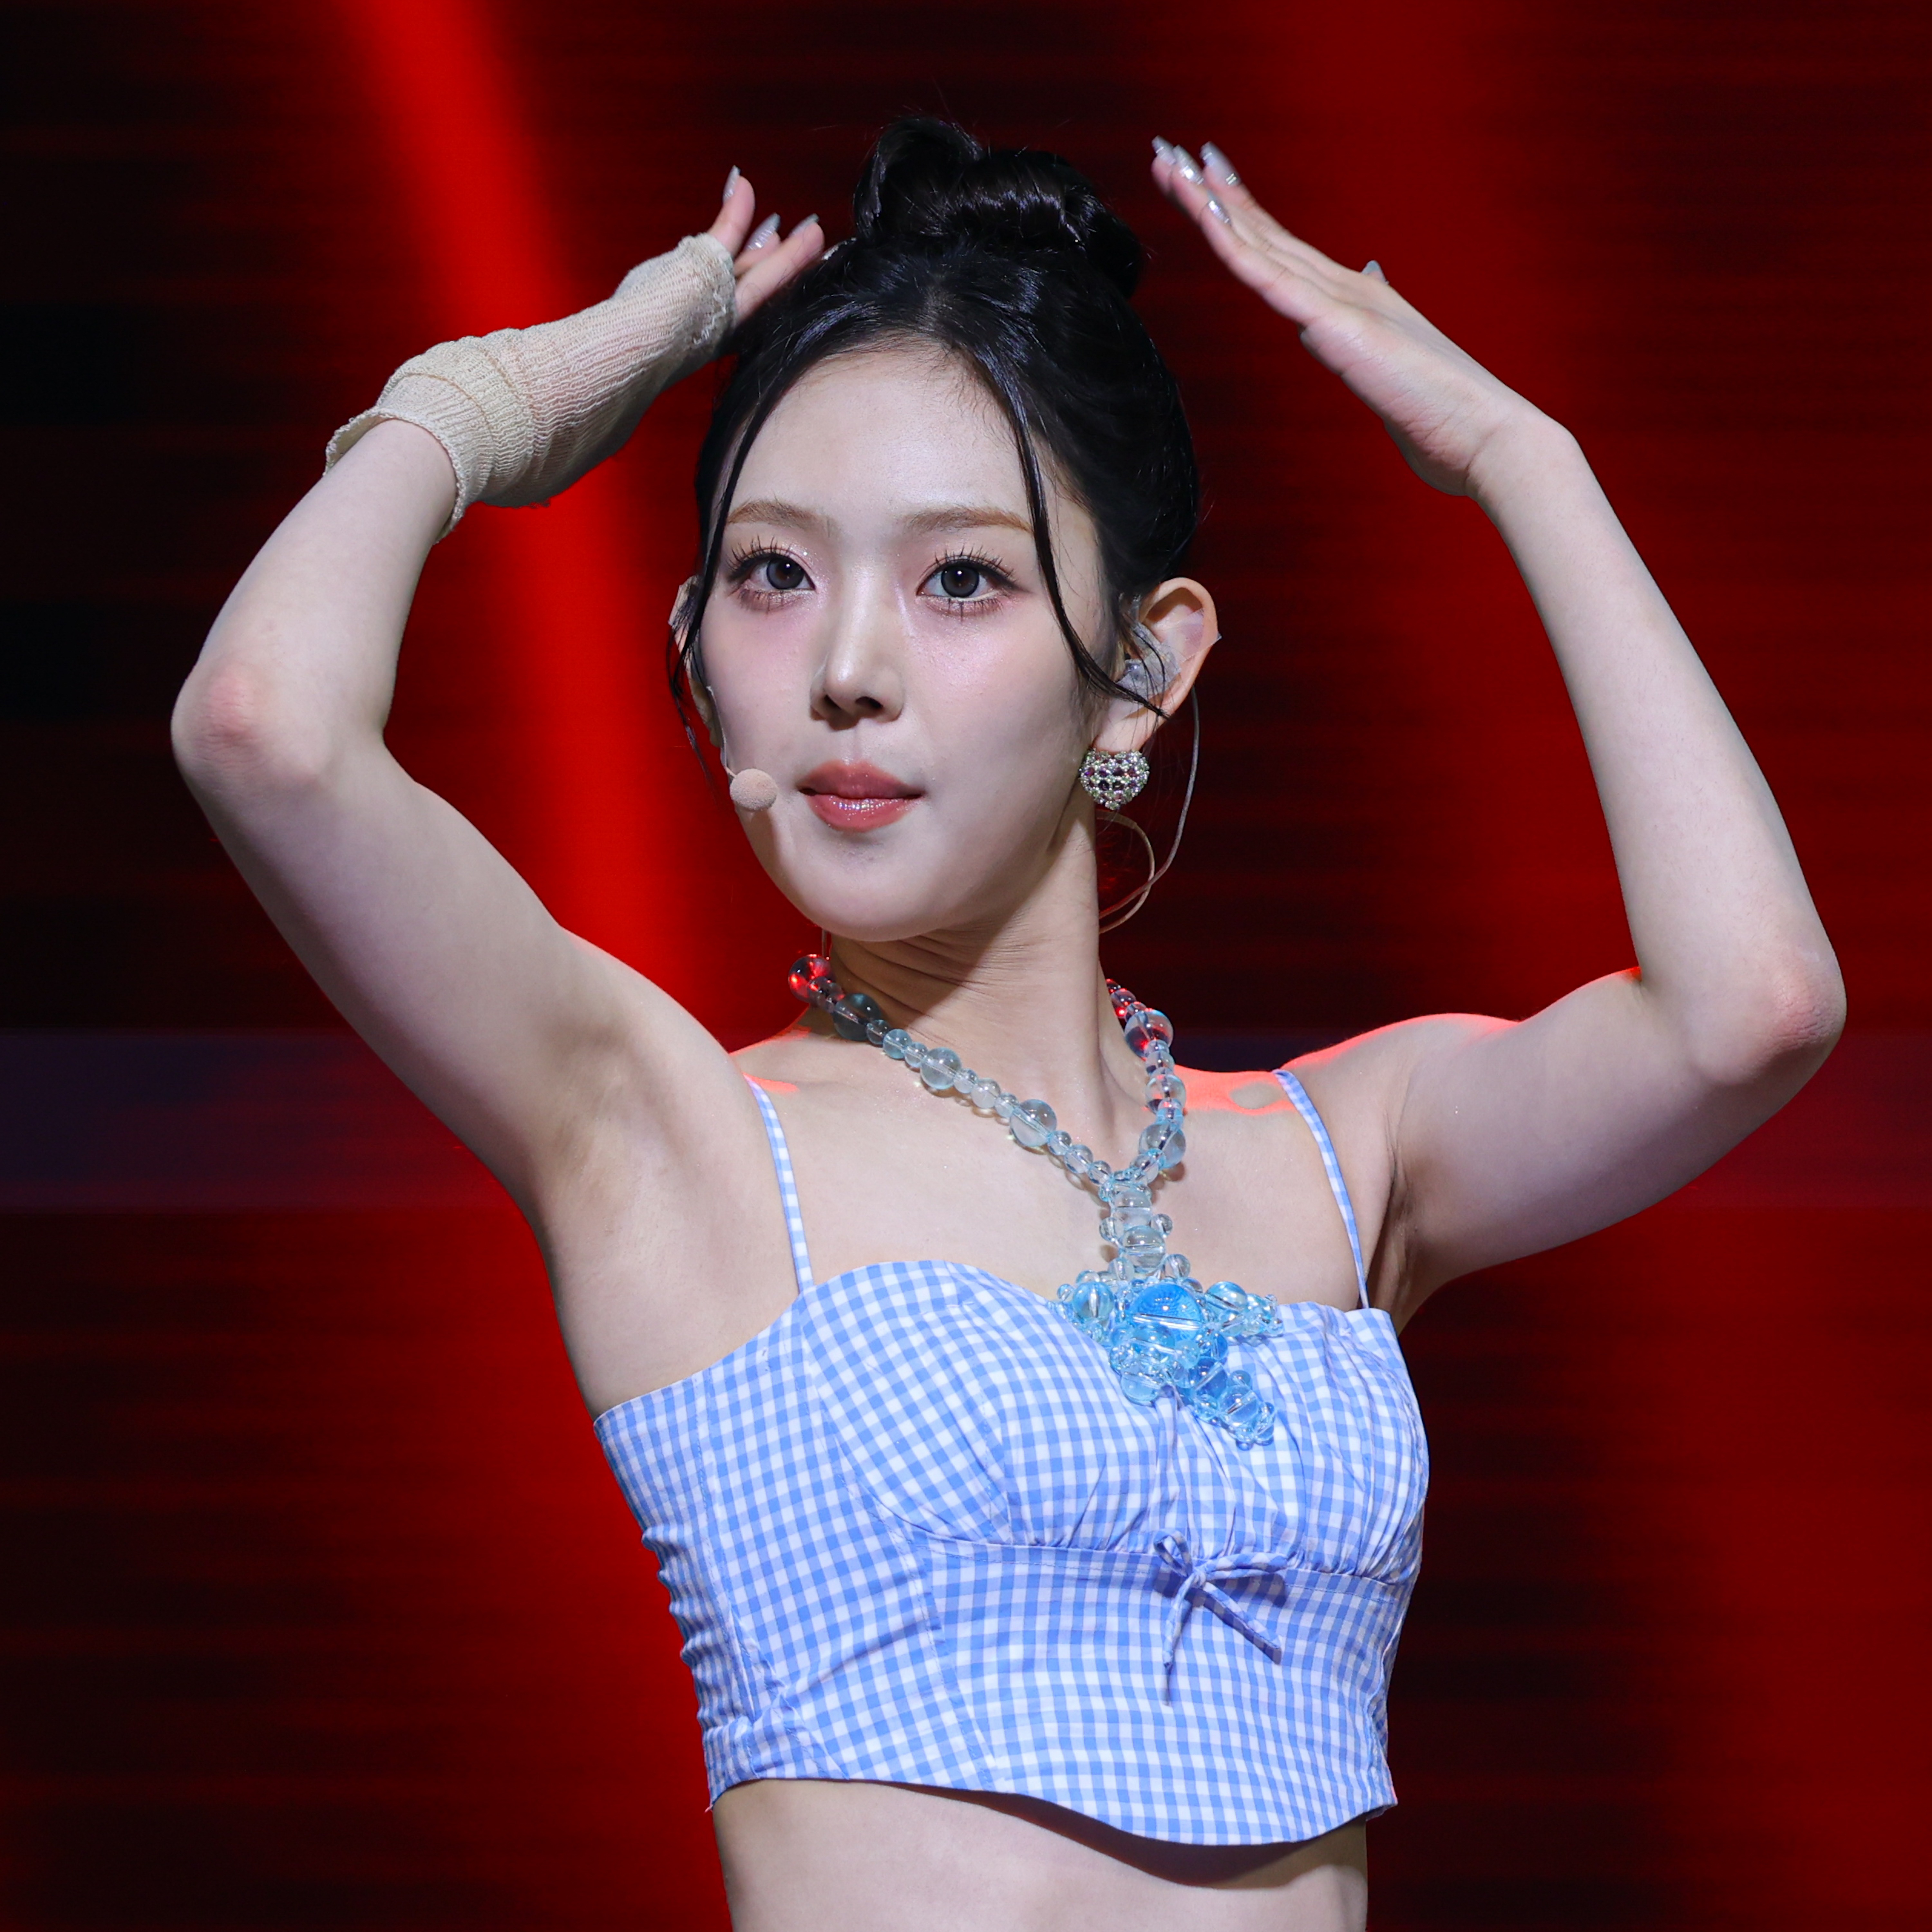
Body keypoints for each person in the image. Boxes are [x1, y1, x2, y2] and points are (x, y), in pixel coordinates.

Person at [171, 118, 1842, 1932]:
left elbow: (1750, 1009)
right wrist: (486, 403)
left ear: (1146, 664)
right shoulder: (676, 1134)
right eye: (772, 574)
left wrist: (1531, 462)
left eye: (959, 578)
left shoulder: (1341, 1150)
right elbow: (265, 728)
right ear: (696, 643)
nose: (846, 672)